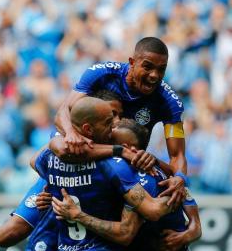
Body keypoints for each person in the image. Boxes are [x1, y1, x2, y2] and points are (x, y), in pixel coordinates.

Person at [0, 90, 126, 250]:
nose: (116, 121)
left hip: (90, 203)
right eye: (112, 115)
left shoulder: (118, 136)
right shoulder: (67, 132)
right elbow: (39, 158)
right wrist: (55, 186)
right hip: (57, 183)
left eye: (120, 115)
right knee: (14, 230)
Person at [55, 36, 188, 205]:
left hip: (126, 172)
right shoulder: (102, 74)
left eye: (161, 69)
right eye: (147, 67)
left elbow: (177, 155)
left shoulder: (169, 102)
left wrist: (180, 178)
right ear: (132, 62)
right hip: (86, 156)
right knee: (16, 227)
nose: (154, 75)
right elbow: (63, 111)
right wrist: (71, 133)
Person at [31, 96, 174, 250]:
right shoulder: (114, 164)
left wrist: (51, 192)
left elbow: (34, 161)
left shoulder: (50, 157)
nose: (113, 127)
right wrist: (176, 195)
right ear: (88, 129)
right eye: (107, 123)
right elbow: (149, 214)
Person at [52, 119, 201, 251]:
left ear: (128, 148)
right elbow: (186, 196)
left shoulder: (138, 178)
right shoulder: (155, 168)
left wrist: (78, 215)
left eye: (111, 143)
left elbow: (126, 233)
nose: (105, 147)